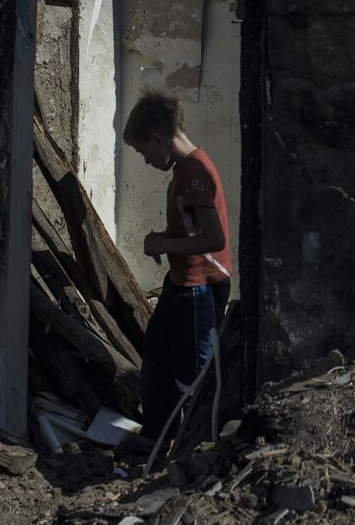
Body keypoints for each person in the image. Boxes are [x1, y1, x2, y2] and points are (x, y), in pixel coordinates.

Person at [120, 90, 232, 450]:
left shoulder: (194, 175)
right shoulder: (187, 169)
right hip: (181, 284)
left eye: (143, 151)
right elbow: (192, 229)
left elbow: (213, 239)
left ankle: (197, 446)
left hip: (199, 290)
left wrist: (164, 245)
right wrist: (165, 238)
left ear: (157, 139)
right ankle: (157, 435)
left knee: (193, 375)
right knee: (157, 353)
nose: (146, 160)